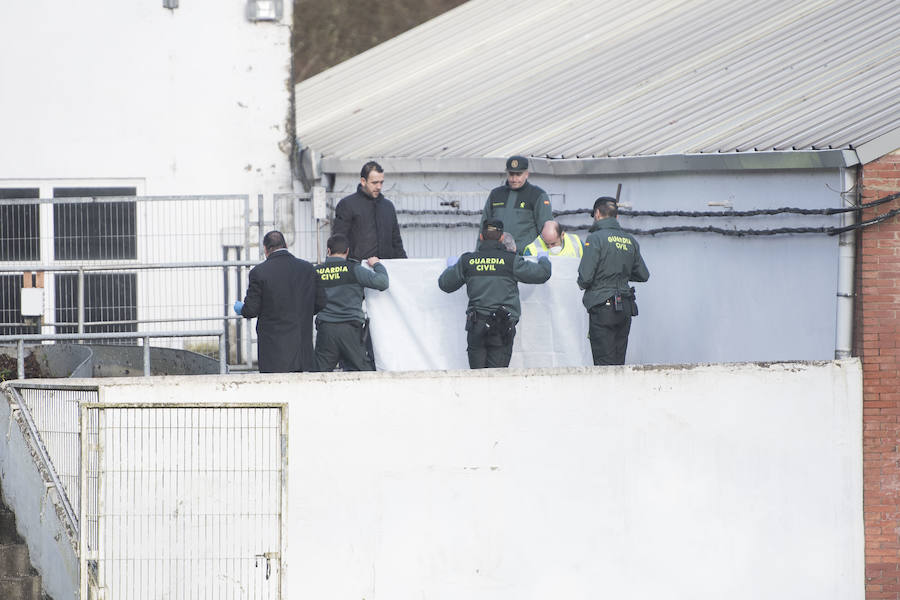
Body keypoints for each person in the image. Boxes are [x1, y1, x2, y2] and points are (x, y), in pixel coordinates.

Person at [439, 218, 551, 369]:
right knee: (497, 379)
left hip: (476, 326)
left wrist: (452, 268)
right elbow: (542, 274)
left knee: (477, 378)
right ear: (502, 237)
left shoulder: (467, 261)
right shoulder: (511, 261)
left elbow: (445, 284)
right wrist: (544, 259)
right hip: (501, 327)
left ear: (481, 236)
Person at [234, 230, 325, 373]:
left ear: (265, 249)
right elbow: (321, 302)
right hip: (302, 350)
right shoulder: (308, 269)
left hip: (274, 352)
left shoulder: (259, 272)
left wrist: (241, 308)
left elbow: (251, 310)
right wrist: (302, 312)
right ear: (286, 245)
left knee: (276, 392)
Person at [577, 196, 650, 366]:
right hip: (625, 306)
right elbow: (643, 275)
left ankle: (606, 393)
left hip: (602, 305)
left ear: (597, 214)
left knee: (604, 363)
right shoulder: (630, 240)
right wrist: (620, 273)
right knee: (619, 361)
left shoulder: (595, 238)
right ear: (616, 217)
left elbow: (585, 278)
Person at [313, 234, 389, 372]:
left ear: (328, 251)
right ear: (347, 251)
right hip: (351, 331)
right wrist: (377, 264)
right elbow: (382, 282)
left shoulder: (317, 271)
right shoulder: (354, 269)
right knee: (363, 373)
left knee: (318, 375)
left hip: (326, 330)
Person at [332, 161, 407, 261]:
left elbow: (396, 241)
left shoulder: (388, 206)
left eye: (381, 182)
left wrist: (404, 264)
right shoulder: (347, 205)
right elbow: (339, 241)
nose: (379, 187)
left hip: (385, 268)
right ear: (363, 181)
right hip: (357, 269)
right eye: (375, 183)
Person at [479, 155, 553, 254]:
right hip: (497, 257)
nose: (514, 179)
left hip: (525, 257)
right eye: (511, 174)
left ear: (527, 174)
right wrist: (478, 252)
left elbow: (546, 230)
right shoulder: (496, 194)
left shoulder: (537, 195)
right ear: (506, 173)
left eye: (518, 174)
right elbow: (484, 228)